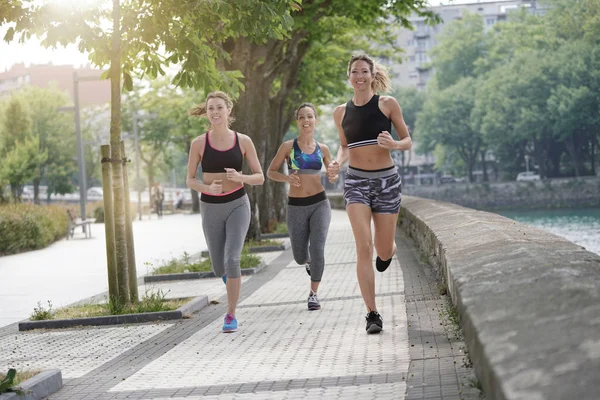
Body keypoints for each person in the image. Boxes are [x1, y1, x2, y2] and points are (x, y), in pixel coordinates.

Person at [327, 53, 412, 334]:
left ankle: (388, 252)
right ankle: (372, 314)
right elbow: (343, 146)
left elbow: (407, 140)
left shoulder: (387, 104)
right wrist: (338, 162)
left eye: (364, 71)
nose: (359, 76)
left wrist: (395, 144)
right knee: (363, 246)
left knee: (382, 248)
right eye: (355, 72)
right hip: (356, 183)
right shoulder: (341, 112)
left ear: (372, 75)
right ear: (349, 76)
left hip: (387, 181)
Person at [186, 91, 265, 333]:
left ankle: (230, 314)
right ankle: (232, 280)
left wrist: (241, 177)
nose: (215, 112)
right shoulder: (199, 143)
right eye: (211, 108)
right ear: (207, 112)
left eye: (220, 107)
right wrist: (207, 187)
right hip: (210, 207)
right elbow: (190, 180)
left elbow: (260, 177)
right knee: (219, 267)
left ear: (229, 110)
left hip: (237, 204)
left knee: (232, 260)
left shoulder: (243, 141)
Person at [267, 103, 334, 311]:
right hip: (296, 206)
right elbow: (271, 171)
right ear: (298, 121)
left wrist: (333, 172)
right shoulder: (288, 147)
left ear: (315, 120)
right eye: (302, 117)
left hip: (320, 203)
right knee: (299, 256)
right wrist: (286, 177)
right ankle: (307, 263)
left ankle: (313, 294)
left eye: (310, 116)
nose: (306, 120)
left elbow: (332, 174)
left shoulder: (323, 149)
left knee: (318, 248)